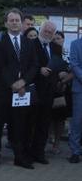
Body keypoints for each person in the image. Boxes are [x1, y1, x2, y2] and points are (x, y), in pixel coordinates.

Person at [0, 8, 39, 169]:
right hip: (3, 89)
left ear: (21, 23)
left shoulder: (29, 43)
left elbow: (35, 64)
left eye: (17, 20)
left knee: (20, 124)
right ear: (6, 23)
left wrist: (23, 81)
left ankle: (20, 156)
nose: (15, 23)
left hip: (22, 91)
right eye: (12, 20)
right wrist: (13, 84)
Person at [30, 20, 62, 164]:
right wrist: (39, 70)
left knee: (44, 123)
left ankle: (39, 153)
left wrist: (60, 73)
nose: (47, 34)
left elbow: (57, 64)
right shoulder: (31, 44)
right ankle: (27, 151)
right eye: (45, 31)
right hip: (34, 89)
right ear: (40, 29)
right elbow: (26, 64)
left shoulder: (55, 47)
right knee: (30, 122)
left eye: (51, 32)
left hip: (49, 90)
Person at [68, 35, 82, 164]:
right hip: (80, 88)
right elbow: (74, 64)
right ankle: (75, 151)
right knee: (77, 121)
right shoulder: (75, 44)